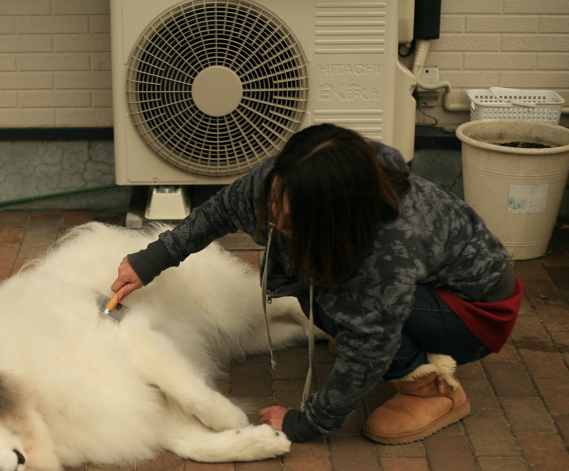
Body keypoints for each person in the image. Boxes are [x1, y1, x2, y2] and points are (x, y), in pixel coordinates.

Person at [110, 123, 521, 445]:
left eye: (292, 218)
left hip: (475, 314)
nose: (274, 217)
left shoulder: (388, 248)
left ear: (338, 214)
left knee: (341, 306)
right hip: (416, 290)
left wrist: (307, 423)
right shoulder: (286, 177)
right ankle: (393, 343)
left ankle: (432, 391)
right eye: (274, 203)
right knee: (322, 293)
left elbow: (369, 344)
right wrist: (152, 259)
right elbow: (221, 210)